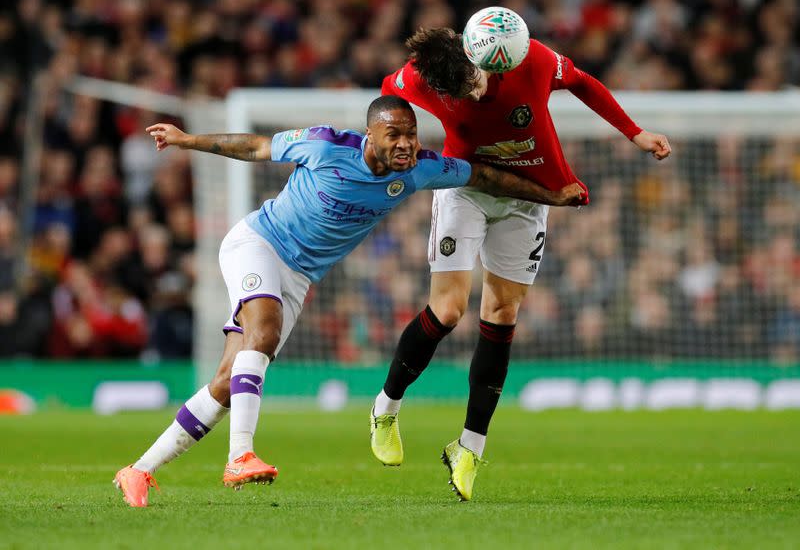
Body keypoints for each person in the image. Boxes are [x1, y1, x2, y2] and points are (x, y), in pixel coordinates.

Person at [113, 95, 586, 507]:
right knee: (264, 331)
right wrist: (187, 139)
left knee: (225, 383)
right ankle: (240, 456)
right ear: (370, 135)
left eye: (411, 135)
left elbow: (485, 177)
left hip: (299, 276)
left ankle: (138, 470)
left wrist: (552, 195)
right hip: (258, 243)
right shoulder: (324, 145)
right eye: (394, 135)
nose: (405, 144)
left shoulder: (421, 168)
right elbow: (256, 147)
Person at [370, 26, 672, 501]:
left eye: (475, 80)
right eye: (461, 92)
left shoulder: (527, 58)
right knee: (448, 311)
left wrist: (635, 133)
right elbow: (388, 95)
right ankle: (386, 407)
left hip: (527, 200)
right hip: (466, 191)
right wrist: (399, 141)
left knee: (502, 315)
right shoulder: (421, 79)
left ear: (484, 60)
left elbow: (583, 83)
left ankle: (468, 447)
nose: (473, 91)